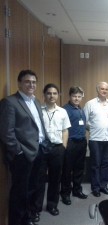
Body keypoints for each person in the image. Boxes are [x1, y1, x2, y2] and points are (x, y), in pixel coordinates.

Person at [0, 70, 46, 225]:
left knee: (32, 188)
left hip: (38, 150)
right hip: (22, 155)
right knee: (20, 192)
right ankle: (16, 221)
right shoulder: (10, 102)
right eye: (27, 82)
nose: (31, 85)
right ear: (19, 83)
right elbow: (7, 132)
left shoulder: (36, 101)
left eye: (34, 82)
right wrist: (18, 151)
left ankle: (27, 218)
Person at [29, 83, 71, 217]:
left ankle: (52, 205)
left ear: (58, 95)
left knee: (55, 179)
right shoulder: (38, 110)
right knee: (39, 179)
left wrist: (63, 146)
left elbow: (65, 130)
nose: (52, 96)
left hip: (57, 149)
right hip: (41, 149)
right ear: (44, 95)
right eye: (49, 93)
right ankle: (36, 208)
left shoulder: (62, 111)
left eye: (54, 93)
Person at [84, 82, 108, 197]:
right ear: (97, 90)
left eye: (106, 89)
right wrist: (94, 129)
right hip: (95, 139)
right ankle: (95, 188)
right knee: (95, 164)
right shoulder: (90, 104)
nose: (104, 91)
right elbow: (84, 121)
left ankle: (104, 186)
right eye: (102, 89)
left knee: (106, 164)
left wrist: (105, 128)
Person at [60, 86, 88, 205]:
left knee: (79, 169)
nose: (76, 98)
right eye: (74, 96)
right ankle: (65, 193)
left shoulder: (80, 109)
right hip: (70, 143)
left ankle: (77, 190)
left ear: (82, 97)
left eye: (79, 96)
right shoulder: (64, 110)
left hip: (81, 142)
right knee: (67, 170)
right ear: (70, 96)